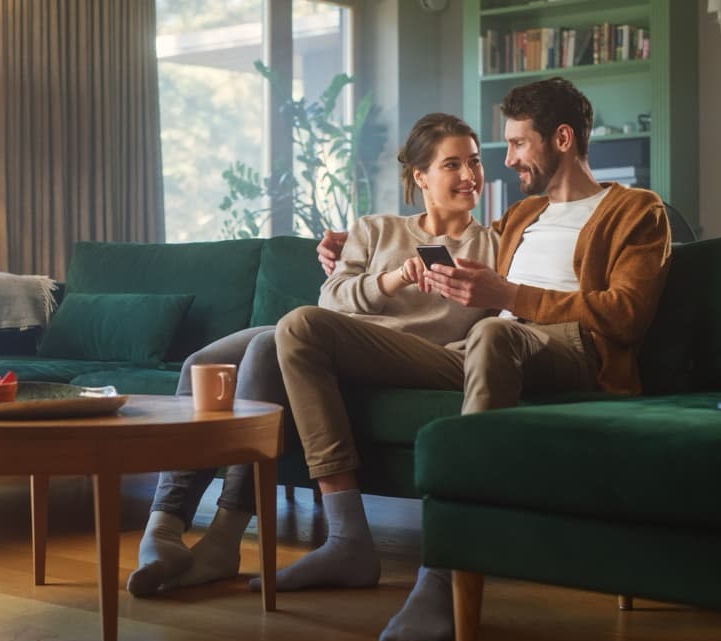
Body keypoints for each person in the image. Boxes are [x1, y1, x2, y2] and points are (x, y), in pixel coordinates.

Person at [285, 76, 672, 641]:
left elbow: (626, 313)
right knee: (301, 326)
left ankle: (443, 568)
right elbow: (450, 236)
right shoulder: (518, 218)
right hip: (478, 350)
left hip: (571, 349)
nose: (506, 158)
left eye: (517, 144)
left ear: (562, 138)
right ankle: (346, 539)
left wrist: (509, 298)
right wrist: (343, 246)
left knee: (494, 332)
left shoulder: (636, 210)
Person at [127, 113, 500, 597]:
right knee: (204, 363)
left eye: (474, 162)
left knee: (280, 337)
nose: (470, 175)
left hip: (407, 353)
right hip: (337, 334)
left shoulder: (493, 245)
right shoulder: (375, 229)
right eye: (453, 164)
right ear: (420, 176)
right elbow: (333, 298)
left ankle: (224, 537)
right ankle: (164, 526)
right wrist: (394, 279)